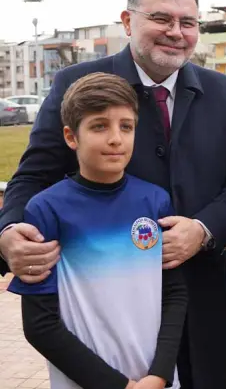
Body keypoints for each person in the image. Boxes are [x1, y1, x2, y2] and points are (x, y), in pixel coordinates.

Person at [0, 0, 226, 388]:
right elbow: (34, 174)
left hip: (198, 298)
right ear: (128, 22)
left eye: (188, 23)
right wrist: (10, 231)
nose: (176, 32)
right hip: (107, 312)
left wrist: (203, 228)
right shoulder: (76, 84)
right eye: (161, 18)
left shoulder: (224, 92)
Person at [9, 73, 188, 389]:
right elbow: (40, 325)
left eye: (126, 126)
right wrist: (120, 385)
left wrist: (159, 375)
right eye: (99, 126)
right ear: (70, 136)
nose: (116, 138)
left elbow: (174, 293)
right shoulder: (46, 209)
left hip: (154, 381)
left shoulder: (155, 200)